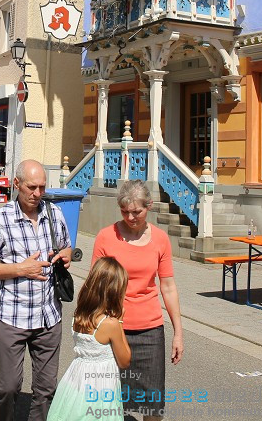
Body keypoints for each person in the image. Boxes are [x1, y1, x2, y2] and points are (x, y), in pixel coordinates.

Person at [0, 159, 72, 421]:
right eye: (32, 187)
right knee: (7, 387)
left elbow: (66, 246)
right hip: (13, 316)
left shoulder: (54, 214)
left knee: (46, 389)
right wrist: (21, 269)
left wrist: (66, 254)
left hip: (49, 316)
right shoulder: (0, 219)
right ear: (16, 184)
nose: (37, 193)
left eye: (42, 187)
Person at [91, 179, 183, 418]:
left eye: (136, 211)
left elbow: (168, 286)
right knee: (110, 401)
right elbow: (95, 286)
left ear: (149, 206)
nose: (130, 217)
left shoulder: (161, 239)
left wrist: (178, 333)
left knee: (152, 404)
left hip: (149, 330)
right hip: (113, 329)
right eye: (125, 211)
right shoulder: (105, 237)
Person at [47, 257, 131, 421]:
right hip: (101, 384)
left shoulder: (79, 315)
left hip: (77, 378)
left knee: (73, 412)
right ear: (114, 292)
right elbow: (124, 360)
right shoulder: (110, 324)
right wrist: (120, 321)